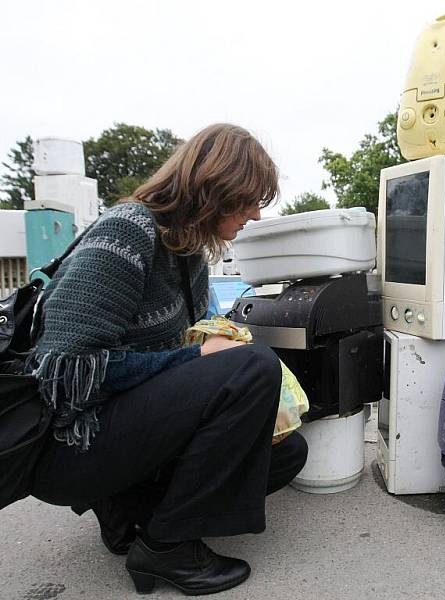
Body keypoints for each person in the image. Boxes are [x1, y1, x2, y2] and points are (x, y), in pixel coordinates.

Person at [27, 123, 308, 596]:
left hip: (118, 436)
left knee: (286, 455)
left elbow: (181, 371)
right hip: (67, 446)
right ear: (214, 191)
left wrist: (206, 356)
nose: (256, 215)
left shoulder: (188, 255)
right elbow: (64, 372)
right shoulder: (126, 231)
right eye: (248, 200)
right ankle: (165, 549)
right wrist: (198, 358)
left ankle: (126, 506)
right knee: (253, 366)